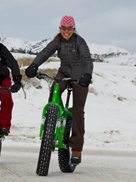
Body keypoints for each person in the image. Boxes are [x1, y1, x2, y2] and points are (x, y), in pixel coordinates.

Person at [25, 16, 93, 164]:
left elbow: (87, 59)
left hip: (80, 76)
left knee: (77, 110)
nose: (66, 31)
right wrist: (34, 65)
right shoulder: (58, 41)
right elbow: (45, 52)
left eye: (69, 29)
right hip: (63, 73)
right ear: (60, 28)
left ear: (74, 29)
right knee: (54, 93)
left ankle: (76, 148)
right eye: (63, 28)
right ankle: (51, 129)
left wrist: (87, 75)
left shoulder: (79, 41)